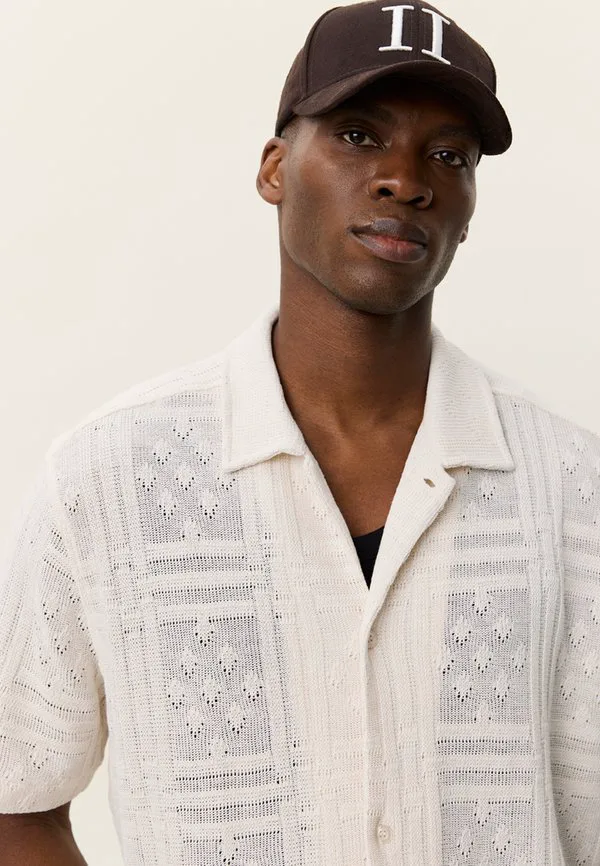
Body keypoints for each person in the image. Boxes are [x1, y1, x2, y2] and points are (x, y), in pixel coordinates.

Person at [1, 1, 599, 864]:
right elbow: (16, 800)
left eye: (448, 155)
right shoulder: (110, 477)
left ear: (468, 212)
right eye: (358, 135)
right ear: (275, 168)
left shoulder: (573, 487)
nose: (405, 180)